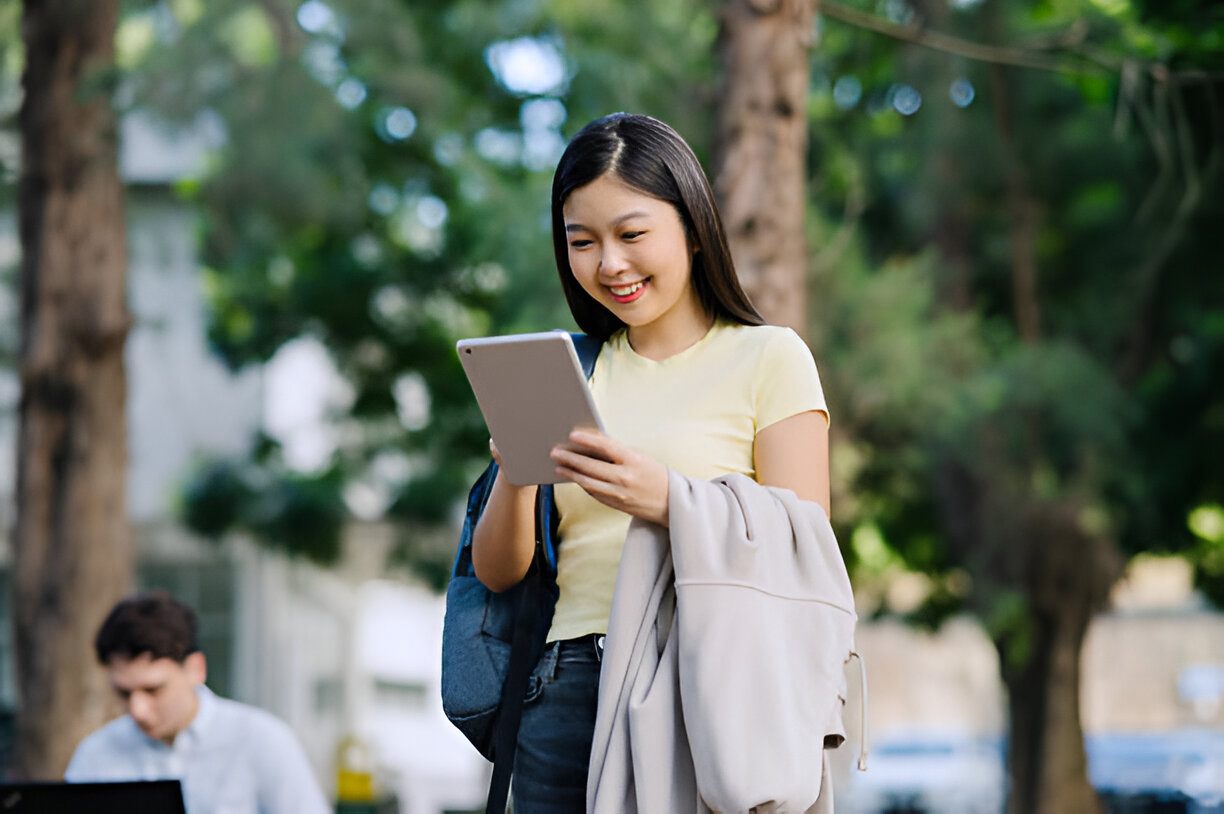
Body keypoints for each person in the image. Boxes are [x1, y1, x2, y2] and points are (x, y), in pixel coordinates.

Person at [471, 112, 830, 812]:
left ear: (693, 228)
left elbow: (804, 545)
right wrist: (516, 473)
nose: (609, 264)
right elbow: (498, 573)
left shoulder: (769, 357)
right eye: (582, 242)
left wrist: (668, 498)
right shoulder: (577, 370)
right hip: (563, 687)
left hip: (701, 679)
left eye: (632, 235)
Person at [65, 591, 330, 814]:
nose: (138, 710)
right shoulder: (95, 755)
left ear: (196, 669)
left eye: (153, 690)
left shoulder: (263, 741)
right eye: (124, 693)